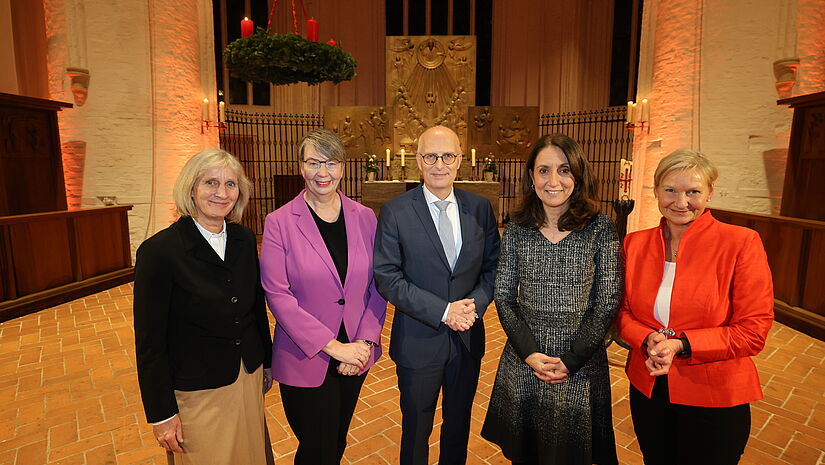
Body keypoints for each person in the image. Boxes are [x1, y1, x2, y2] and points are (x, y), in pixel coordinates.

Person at [615, 149, 774, 465]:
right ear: (657, 190)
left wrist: (682, 344)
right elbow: (620, 311)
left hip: (713, 391)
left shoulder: (741, 242)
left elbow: (753, 331)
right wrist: (646, 338)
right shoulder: (635, 243)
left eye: (693, 192)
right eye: (670, 190)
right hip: (649, 386)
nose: (681, 201)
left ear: (710, 192)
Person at [480, 134, 622, 465]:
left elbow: (607, 300)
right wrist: (529, 352)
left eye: (564, 170)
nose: (553, 180)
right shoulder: (518, 229)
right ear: (531, 176)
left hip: (580, 362)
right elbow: (503, 295)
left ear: (578, 175)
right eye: (544, 170)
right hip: (526, 359)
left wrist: (572, 360)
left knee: (572, 452)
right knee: (526, 451)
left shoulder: (600, 229)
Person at [134, 148, 273, 464]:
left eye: (230, 184)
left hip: (246, 377)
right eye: (210, 183)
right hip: (198, 388)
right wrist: (162, 413)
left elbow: (255, 308)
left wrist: (266, 360)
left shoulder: (243, 239)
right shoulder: (160, 252)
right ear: (191, 189)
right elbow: (149, 343)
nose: (221, 193)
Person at [373, 125, 500, 465]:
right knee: (416, 429)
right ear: (418, 160)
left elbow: (492, 269)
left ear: (460, 160)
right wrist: (444, 311)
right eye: (430, 156)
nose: (439, 164)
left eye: (447, 156)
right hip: (418, 341)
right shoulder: (396, 211)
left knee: (458, 426)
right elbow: (387, 277)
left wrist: (474, 306)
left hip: (467, 340)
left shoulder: (481, 209)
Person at [260, 129, 387, 465]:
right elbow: (277, 294)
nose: (322, 172)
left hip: (355, 356)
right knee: (318, 446)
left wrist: (364, 342)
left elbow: (377, 287)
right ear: (301, 167)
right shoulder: (279, 222)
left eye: (330, 163)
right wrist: (334, 347)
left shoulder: (365, 218)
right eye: (313, 162)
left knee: (335, 442)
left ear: (343, 168)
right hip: (306, 356)